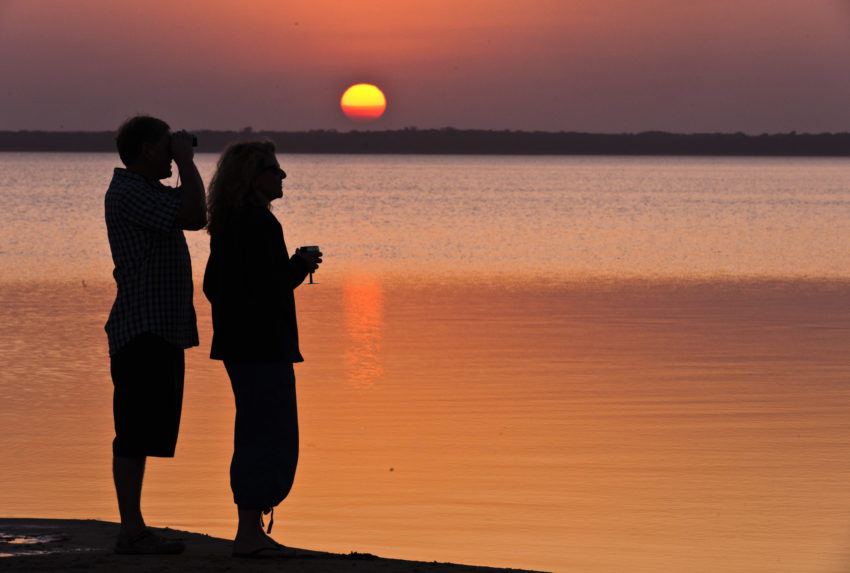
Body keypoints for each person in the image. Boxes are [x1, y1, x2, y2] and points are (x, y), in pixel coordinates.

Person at [202, 140, 321, 558]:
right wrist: (298, 266)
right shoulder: (261, 225)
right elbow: (268, 287)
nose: (282, 175)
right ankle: (249, 534)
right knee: (269, 433)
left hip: (239, 346)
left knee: (255, 430)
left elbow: (214, 287)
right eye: (273, 169)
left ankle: (249, 529)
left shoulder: (229, 222)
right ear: (252, 178)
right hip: (264, 346)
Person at [104, 115, 206, 554]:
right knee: (132, 431)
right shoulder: (128, 192)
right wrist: (185, 160)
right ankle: (131, 530)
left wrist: (183, 161)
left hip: (159, 328)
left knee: (144, 431)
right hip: (141, 328)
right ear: (147, 148)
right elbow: (196, 215)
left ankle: (135, 527)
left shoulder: (146, 191)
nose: (172, 153)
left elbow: (191, 205)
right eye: (165, 146)